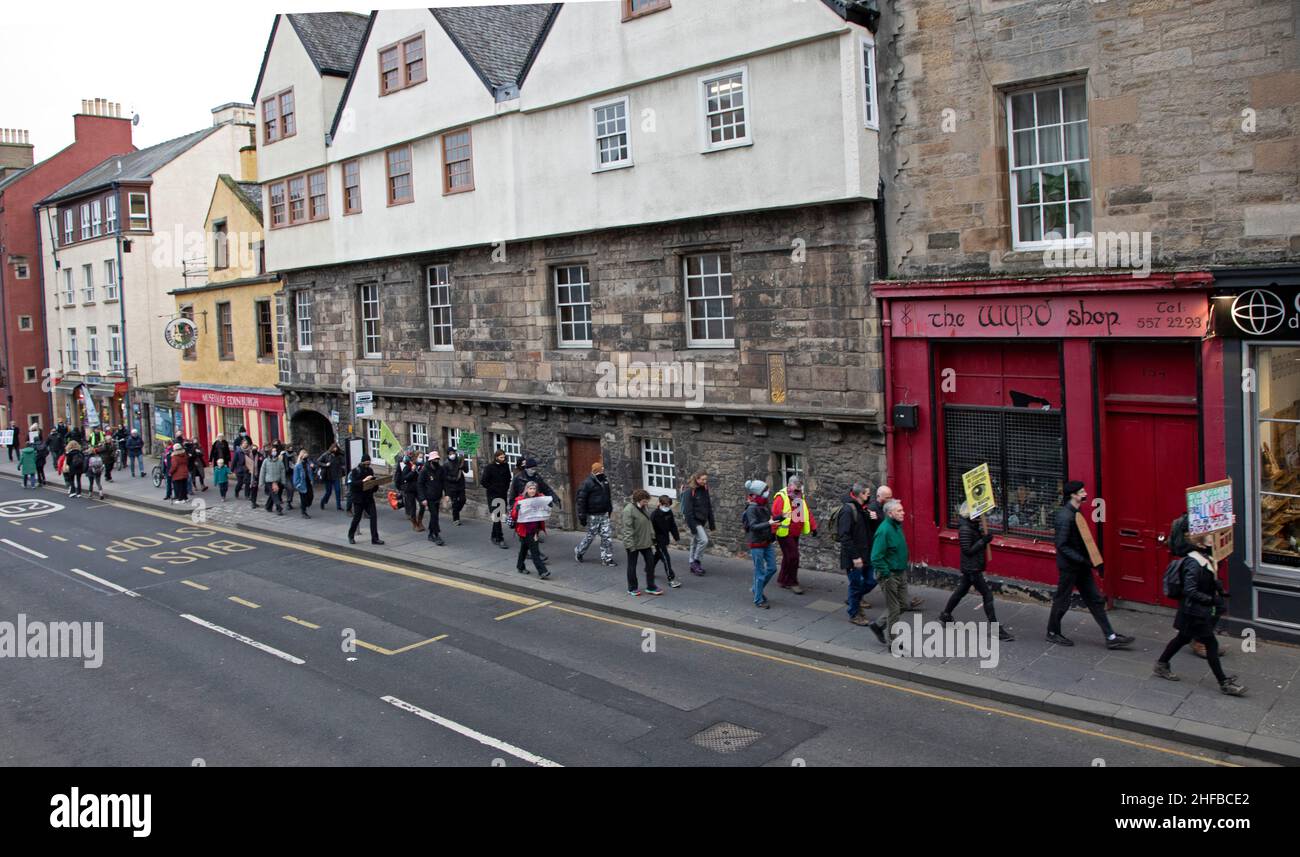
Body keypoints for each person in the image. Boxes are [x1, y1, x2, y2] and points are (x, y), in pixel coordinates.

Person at [1153, 529, 1246, 696]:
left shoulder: (1205, 558)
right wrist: (1210, 600)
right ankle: (1224, 683)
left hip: (1194, 611)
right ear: (1202, 544)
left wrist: (1219, 591)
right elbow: (1190, 590)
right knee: (1211, 644)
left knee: (1183, 638)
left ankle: (1161, 664)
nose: (1214, 541)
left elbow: (1210, 578)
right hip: (1194, 612)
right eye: (1211, 539)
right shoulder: (1193, 563)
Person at [1046, 480, 1135, 649]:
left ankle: (1110, 636)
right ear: (1073, 495)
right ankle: (1052, 632)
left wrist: (1091, 561)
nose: (1085, 493)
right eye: (1081, 492)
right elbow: (1062, 545)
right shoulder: (1065, 516)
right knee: (1062, 600)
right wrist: (1083, 560)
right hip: (1069, 567)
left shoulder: (1076, 513)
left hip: (1081, 566)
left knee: (1095, 599)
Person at [938, 503, 1015, 641]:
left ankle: (945, 614)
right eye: (977, 514)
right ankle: (996, 630)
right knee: (987, 595)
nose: (980, 516)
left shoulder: (971, 526)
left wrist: (983, 540)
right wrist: (983, 541)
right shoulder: (966, 529)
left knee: (960, 591)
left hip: (972, 567)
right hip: (972, 568)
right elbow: (967, 550)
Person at [867, 500, 912, 645]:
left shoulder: (897, 526)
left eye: (902, 510)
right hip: (889, 575)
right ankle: (894, 642)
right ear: (890, 513)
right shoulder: (884, 530)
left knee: (904, 604)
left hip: (900, 572)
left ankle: (878, 625)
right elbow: (876, 557)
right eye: (899, 511)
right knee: (894, 609)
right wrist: (886, 574)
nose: (903, 513)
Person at [839, 482, 877, 626]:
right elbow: (844, 536)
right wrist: (855, 557)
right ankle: (854, 613)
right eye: (867, 494)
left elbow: (867, 531)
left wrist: (873, 519)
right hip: (854, 557)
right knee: (856, 584)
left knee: (871, 581)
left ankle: (854, 599)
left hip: (866, 555)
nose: (869, 496)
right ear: (860, 494)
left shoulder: (862, 509)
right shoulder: (848, 511)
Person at [773, 475, 816, 595]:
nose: (799, 492)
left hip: (795, 532)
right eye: (797, 489)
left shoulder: (798, 497)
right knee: (794, 557)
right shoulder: (781, 498)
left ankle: (783, 580)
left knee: (788, 557)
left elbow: (806, 512)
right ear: (790, 486)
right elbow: (776, 516)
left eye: (800, 489)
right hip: (784, 533)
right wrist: (772, 532)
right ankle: (792, 582)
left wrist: (813, 527)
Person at [742, 479, 781, 608]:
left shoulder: (764, 504)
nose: (767, 492)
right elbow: (753, 526)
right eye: (765, 490)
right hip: (756, 543)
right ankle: (758, 600)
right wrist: (769, 523)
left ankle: (755, 589)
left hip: (767, 541)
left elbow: (769, 518)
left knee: (772, 568)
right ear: (758, 492)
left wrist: (781, 517)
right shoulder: (751, 508)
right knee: (759, 572)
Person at [574, 460, 616, 567]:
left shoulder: (605, 481)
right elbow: (581, 500)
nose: (602, 472)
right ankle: (579, 551)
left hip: (604, 513)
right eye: (600, 471)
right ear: (595, 471)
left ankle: (607, 559)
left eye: (602, 470)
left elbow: (608, 496)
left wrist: (609, 508)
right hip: (593, 514)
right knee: (590, 536)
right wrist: (582, 516)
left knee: (606, 536)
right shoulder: (587, 483)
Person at [621, 489, 660, 595]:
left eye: (647, 501)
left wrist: (653, 537)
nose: (646, 503)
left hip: (645, 542)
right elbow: (627, 529)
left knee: (650, 564)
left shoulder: (644, 508)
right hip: (634, 543)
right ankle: (632, 588)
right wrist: (630, 545)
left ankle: (651, 586)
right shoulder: (628, 510)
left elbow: (648, 523)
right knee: (632, 565)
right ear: (638, 500)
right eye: (645, 501)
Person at [509, 481, 550, 578]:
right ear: (526, 489)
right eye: (530, 488)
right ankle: (542, 571)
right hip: (524, 530)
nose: (532, 490)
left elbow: (545, 509)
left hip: (534, 529)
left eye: (534, 488)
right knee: (535, 551)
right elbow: (514, 516)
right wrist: (517, 510)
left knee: (524, 549)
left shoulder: (539, 499)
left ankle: (520, 566)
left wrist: (548, 505)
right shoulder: (520, 500)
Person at [680, 471, 716, 576]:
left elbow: (708, 506)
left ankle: (692, 563)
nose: (705, 481)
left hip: (702, 519)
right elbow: (687, 512)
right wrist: (693, 527)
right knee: (704, 540)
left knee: (695, 542)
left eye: (706, 479)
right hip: (693, 520)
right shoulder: (689, 491)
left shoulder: (704, 489)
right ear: (697, 479)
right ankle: (696, 561)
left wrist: (712, 524)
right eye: (703, 479)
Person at [347, 454, 384, 545]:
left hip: (368, 498)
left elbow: (373, 486)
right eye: (366, 464)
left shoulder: (370, 470)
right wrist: (364, 480)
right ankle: (351, 535)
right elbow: (353, 485)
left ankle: (375, 538)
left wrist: (375, 483)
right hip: (359, 499)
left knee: (373, 517)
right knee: (357, 518)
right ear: (362, 462)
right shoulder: (355, 471)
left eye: (369, 464)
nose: (367, 466)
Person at [481, 449, 512, 549]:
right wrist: (493, 488)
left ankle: (494, 536)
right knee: (497, 517)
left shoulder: (506, 466)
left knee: (498, 517)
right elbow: (484, 482)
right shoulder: (489, 468)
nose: (503, 459)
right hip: (493, 495)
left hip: (502, 494)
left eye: (504, 457)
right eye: (501, 457)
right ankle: (500, 538)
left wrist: (505, 488)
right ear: (496, 457)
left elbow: (508, 478)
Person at [649, 494, 682, 588]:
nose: (667, 507)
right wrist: (653, 540)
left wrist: (676, 537)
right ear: (660, 503)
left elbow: (672, 525)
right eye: (665, 505)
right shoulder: (654, 515)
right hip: (658, 539)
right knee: (666, 558)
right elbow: (650, 529)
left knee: (658, 555)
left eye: (668, 506)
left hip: (665, 537)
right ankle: (671, 578)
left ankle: (649, 569)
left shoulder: (669, 512)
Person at [419, 450, 446, 545]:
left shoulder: (440, 469)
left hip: (437, 496)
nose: (437, 461)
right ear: (430, 460)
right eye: (435, 459)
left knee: (434, 516)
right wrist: (423, 498)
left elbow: (444, 482)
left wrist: (446, 494)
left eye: (438, 459)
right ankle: (436, 534)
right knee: (434, 515)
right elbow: (420, 485)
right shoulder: (424, 471)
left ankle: (430, 534)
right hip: (428, 497)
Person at [442, 447, 469, 525]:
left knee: (462, 500)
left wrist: (463, 465)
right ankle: (456, 519)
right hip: (452, 486)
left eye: (453, 453)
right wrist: (453, 479)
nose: (452, 455)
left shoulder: (460, 460)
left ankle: (455, 511)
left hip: (460, 485)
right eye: (450, 454)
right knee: (455, 503)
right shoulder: (446, 464)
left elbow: (466, 470)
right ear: (448, 455)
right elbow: (445, 476)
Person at [317, 443, 345, 510]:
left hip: (336, 476)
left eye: (336, 448)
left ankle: (338, 506)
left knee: (338, 491)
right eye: (334, 448)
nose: (335, 449)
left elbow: (344, 459)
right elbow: (318, 461)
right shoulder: (326, 454)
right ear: (331, 448)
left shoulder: (339, 455)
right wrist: (325, 464)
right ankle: (323, 501)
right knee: (328, 492)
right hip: (328, 476)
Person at [260, 446, 286, 515]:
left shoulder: (279, 461)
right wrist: (261, 482)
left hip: (278, 480)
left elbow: (282, 471)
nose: (275, 452)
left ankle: (268, 506)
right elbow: (262, 471)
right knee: (274, 494)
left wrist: (283, 481)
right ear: (270, 452)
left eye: (275, 451)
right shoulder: (266, 461)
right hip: (269, 481)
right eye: (273, 451)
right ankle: (279, 508)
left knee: (273, 494)